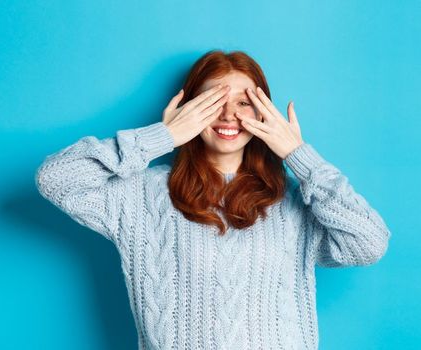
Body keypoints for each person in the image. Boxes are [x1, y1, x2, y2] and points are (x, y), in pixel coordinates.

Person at [35, 49, 391, 350]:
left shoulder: (294, 202)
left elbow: (369, 244)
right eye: (214, 100)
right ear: (190, 107)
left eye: (244, 102)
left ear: (265, 111)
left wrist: (299, 155)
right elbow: (56, 179)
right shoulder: (141, 196)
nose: (229, 114)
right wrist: (164, 135)